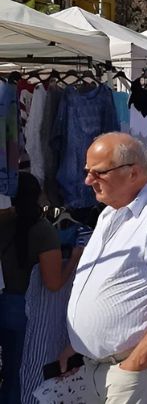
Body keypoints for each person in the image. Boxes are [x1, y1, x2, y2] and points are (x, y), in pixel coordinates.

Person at [61, 132, 147, 404]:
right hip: (98, 366)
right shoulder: (109, 214)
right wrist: (78, 344)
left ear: (133, 172)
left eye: (98, 173)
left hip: (134, 369)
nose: (88, 180)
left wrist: (136, 363)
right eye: (87, 171)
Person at [0, 172, 82, 403]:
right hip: (25, 310)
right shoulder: (42, 231)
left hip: (4, 301)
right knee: (20, 373)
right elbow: (53, 283)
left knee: (7, 372)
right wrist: (74, 259)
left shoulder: (4, 223)